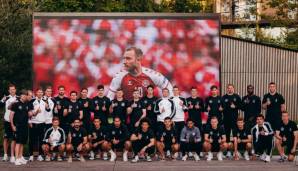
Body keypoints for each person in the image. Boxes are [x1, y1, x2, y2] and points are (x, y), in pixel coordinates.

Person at [107, 47, 173, 101]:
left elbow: (170, 90)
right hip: (128, 114)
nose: (124, 62)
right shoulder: (119, 77)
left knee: (156, 91)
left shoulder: (152, 75)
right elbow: (109, 99)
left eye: (128, 59)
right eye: (124, 59)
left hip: (149, 114)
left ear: (138, 59)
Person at [10, 89, 33, 165]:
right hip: (18, 126)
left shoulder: (26, 104)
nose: (25, 96)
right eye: (23, 95)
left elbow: (29, 114)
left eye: (26, 95)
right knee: (18, 142)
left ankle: (20, 157)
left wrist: (31, 113)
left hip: (25, 126)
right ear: (21, 95)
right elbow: (11, 116)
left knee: (23, 142)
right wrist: (12, 125)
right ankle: (16, 159)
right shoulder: (15, 104)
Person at [221, 84, 242, 158]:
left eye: (231, 88)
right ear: (227, 89)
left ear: (233, 89)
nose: (230, 89)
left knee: (235, 135)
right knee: (226, 135)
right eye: (228, 88)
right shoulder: (223, 97)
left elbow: (241, 106)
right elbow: (221, 107)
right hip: (226, 119)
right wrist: (221, 109)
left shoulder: (237, 97)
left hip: (234, 119)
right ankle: (227, 151)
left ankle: (235, 151)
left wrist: (235, 106)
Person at [0, 84, 18, 162]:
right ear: (8, 91)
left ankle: (13, 156)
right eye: (10, 89)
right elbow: (0, 104)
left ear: (15, 90)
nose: (12, 91)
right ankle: (5, 155)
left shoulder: (18, 98)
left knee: (14, 139)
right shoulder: (6, 98)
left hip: (15, 121)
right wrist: (2, 100)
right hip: (7, 120)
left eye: (13, 89)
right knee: (6, 138)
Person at [28, 88, 46, 162]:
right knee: (32, 140)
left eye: (41, 92)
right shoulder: (32, 101)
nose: (40, 93)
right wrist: (29, 121)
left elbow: (48, 111)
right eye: (39, 92)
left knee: (41, 140)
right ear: (36, 93)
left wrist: (47, 107)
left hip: (42, 123)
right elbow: (29, 113)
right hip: (33, 123)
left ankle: (40, 155)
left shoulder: (45, 101)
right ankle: (31, 155)